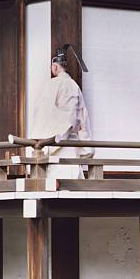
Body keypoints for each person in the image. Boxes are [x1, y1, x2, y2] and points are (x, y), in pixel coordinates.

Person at [30, 44, 94, 179]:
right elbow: (82, 120)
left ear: (55, 67)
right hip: (70, 148)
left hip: (52, 148)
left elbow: (41, 115)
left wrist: (44, 145)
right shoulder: (73, 86)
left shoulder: (50, 85)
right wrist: (87, 148)